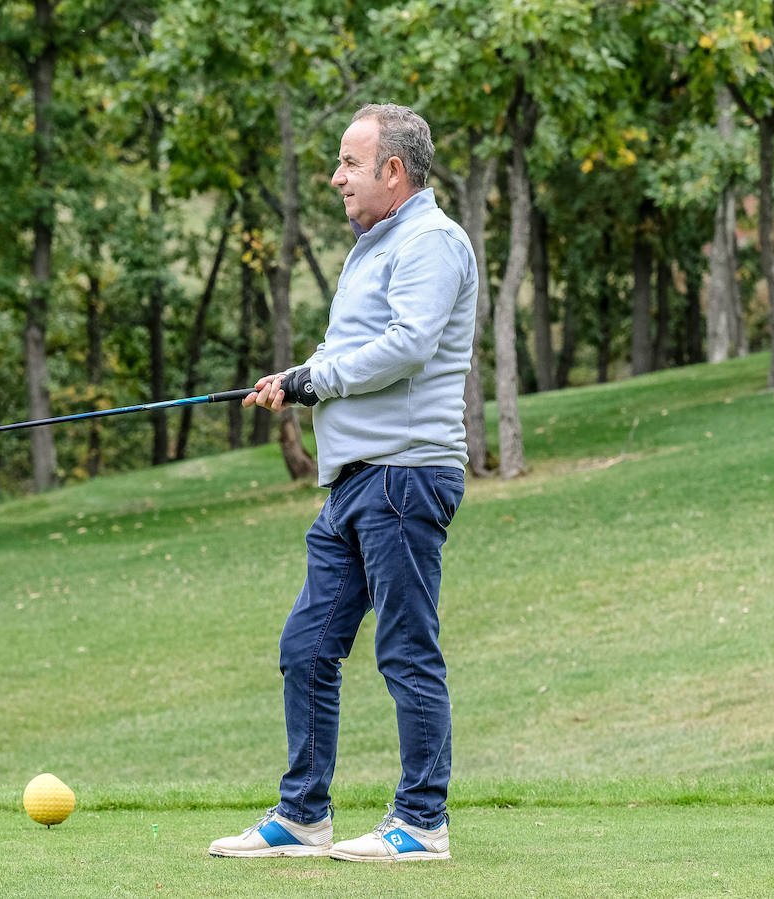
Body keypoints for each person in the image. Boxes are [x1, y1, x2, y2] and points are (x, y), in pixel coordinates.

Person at [208, 104, 478, 862]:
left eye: (349, 164)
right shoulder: (376, 246)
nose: (336, 178)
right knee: (307, 647)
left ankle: (422, 823)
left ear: (394, 171)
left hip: (404, 474)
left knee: (405, 649)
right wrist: (292, 379)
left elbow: (408, 345)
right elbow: (346, 349)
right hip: (355, 481)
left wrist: (308, 381)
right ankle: (303, 816)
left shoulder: (430, 240)